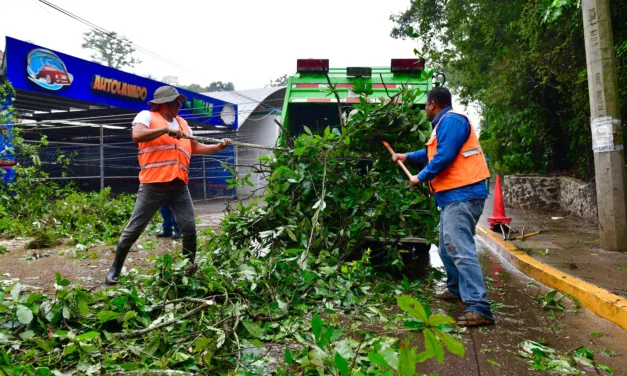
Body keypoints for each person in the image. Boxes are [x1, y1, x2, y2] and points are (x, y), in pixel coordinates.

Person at [106, 86, 232, 285]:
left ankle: (188, 268)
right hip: (152, 185)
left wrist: (218, 146)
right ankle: (115, 269)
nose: (179, 105)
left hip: (178, 186)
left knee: (189, 228)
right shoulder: (146, 116)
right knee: (133, 230)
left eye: (179, 101)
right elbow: (137, 135)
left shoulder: (183, 124)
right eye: (176, 101)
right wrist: (165, 130)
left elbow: (195, 146)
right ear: (164, 103)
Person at [393, 87, 494, 326]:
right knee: (446, 249)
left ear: (431, 104)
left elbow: (443, 157)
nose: (425, 110)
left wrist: (421, 177)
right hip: (452, 197)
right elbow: (431, 153)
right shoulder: (443, 126)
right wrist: (406, 156)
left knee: (459, 248)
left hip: (463, 194)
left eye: (426, 106)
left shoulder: (452, 121)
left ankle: (479, 307)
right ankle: (457, 290)